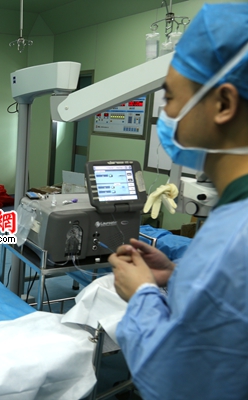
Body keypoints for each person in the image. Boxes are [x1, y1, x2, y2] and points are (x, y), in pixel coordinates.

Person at [108, 4, 248, 399]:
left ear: (223, 103)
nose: (166, 114)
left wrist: (142, 295)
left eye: (170, 97)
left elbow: (175, 381)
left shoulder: (233, 241)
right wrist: (179, 274)